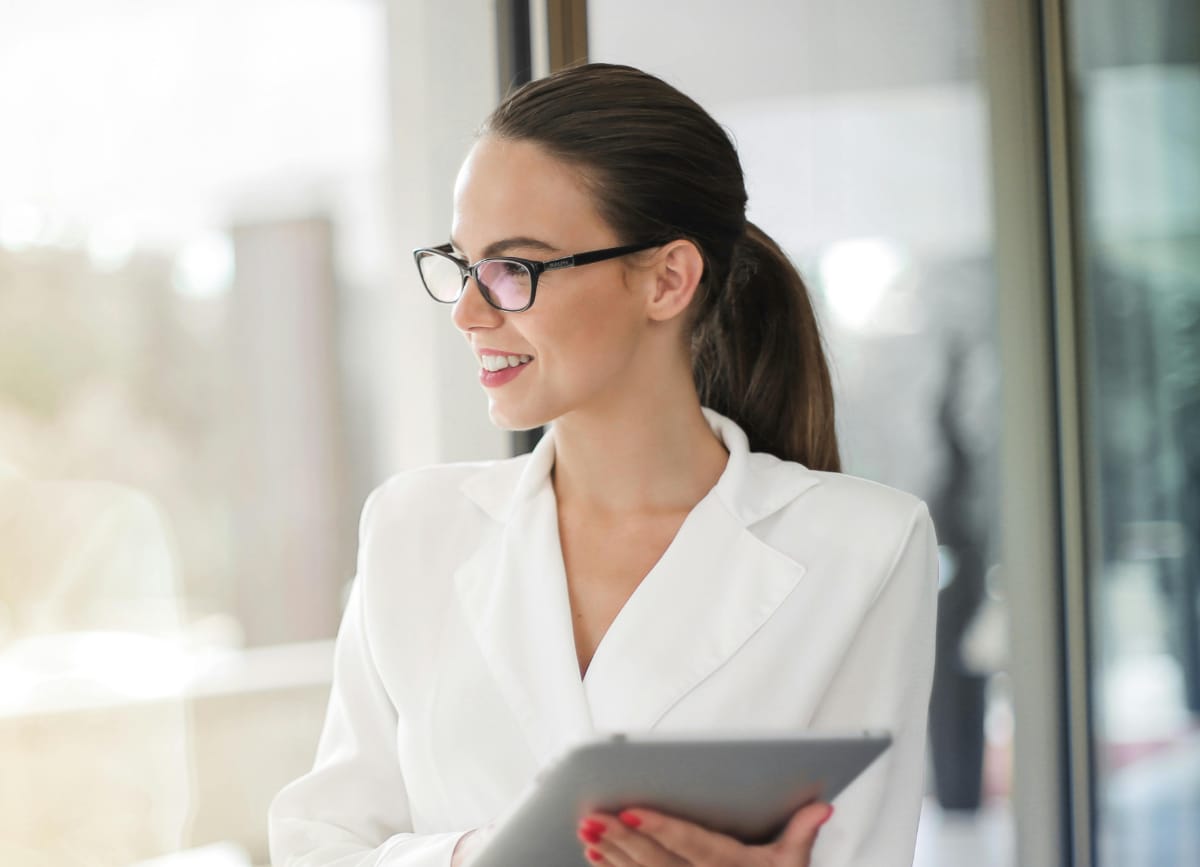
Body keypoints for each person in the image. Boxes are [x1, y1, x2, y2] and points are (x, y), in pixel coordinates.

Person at [268, 63, 937, 867]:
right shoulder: (415, 527)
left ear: (667, 279)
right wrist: (481, 856)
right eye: (463, 262)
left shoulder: (866, 546)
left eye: (514, 269)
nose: (470, 311)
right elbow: (319, 846)